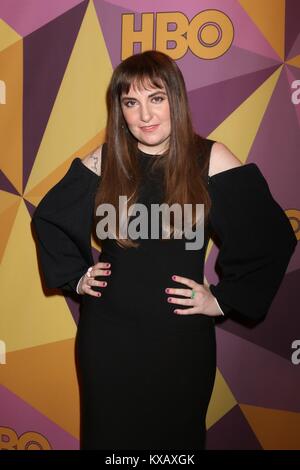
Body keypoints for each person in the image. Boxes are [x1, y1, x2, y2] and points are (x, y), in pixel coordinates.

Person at [32, 50, 297, 450]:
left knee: (175, 446)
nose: (145, 115)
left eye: (156, 98)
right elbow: (49, 218)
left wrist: (223, 300)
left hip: (179, 341)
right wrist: (76, 276)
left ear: (176, 100)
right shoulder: (106, 160)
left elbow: (272, 236)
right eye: (131, 103)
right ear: (119, 110)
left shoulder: (209, 158)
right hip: (108, 339)